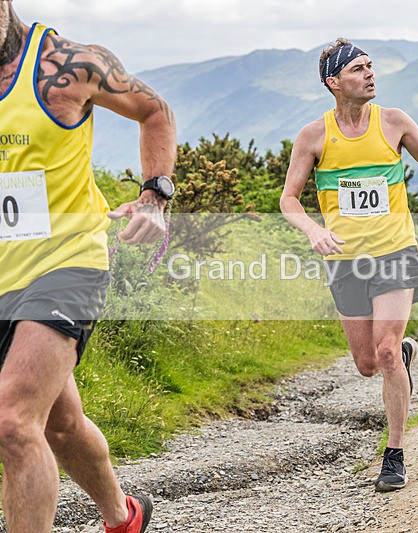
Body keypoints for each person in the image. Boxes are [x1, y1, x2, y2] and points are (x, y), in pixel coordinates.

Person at [0, 2, 176, 531]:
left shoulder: (70, 65)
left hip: (66, 263)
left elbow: (155, 112)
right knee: (61, 424)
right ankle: (124, 516)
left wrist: (154, 196)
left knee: (11, 421)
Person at [280, 37, 418, 492]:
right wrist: (314, 231)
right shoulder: (314, 136)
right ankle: (402, 357)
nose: (370, 74)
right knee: (368, 363)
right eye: (358, 69)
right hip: (346, 260)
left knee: (384, 350)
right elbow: (289, 200)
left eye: (370, 66)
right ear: (334, 82)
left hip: (395, 251)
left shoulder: (394, 122)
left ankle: (395, 453)